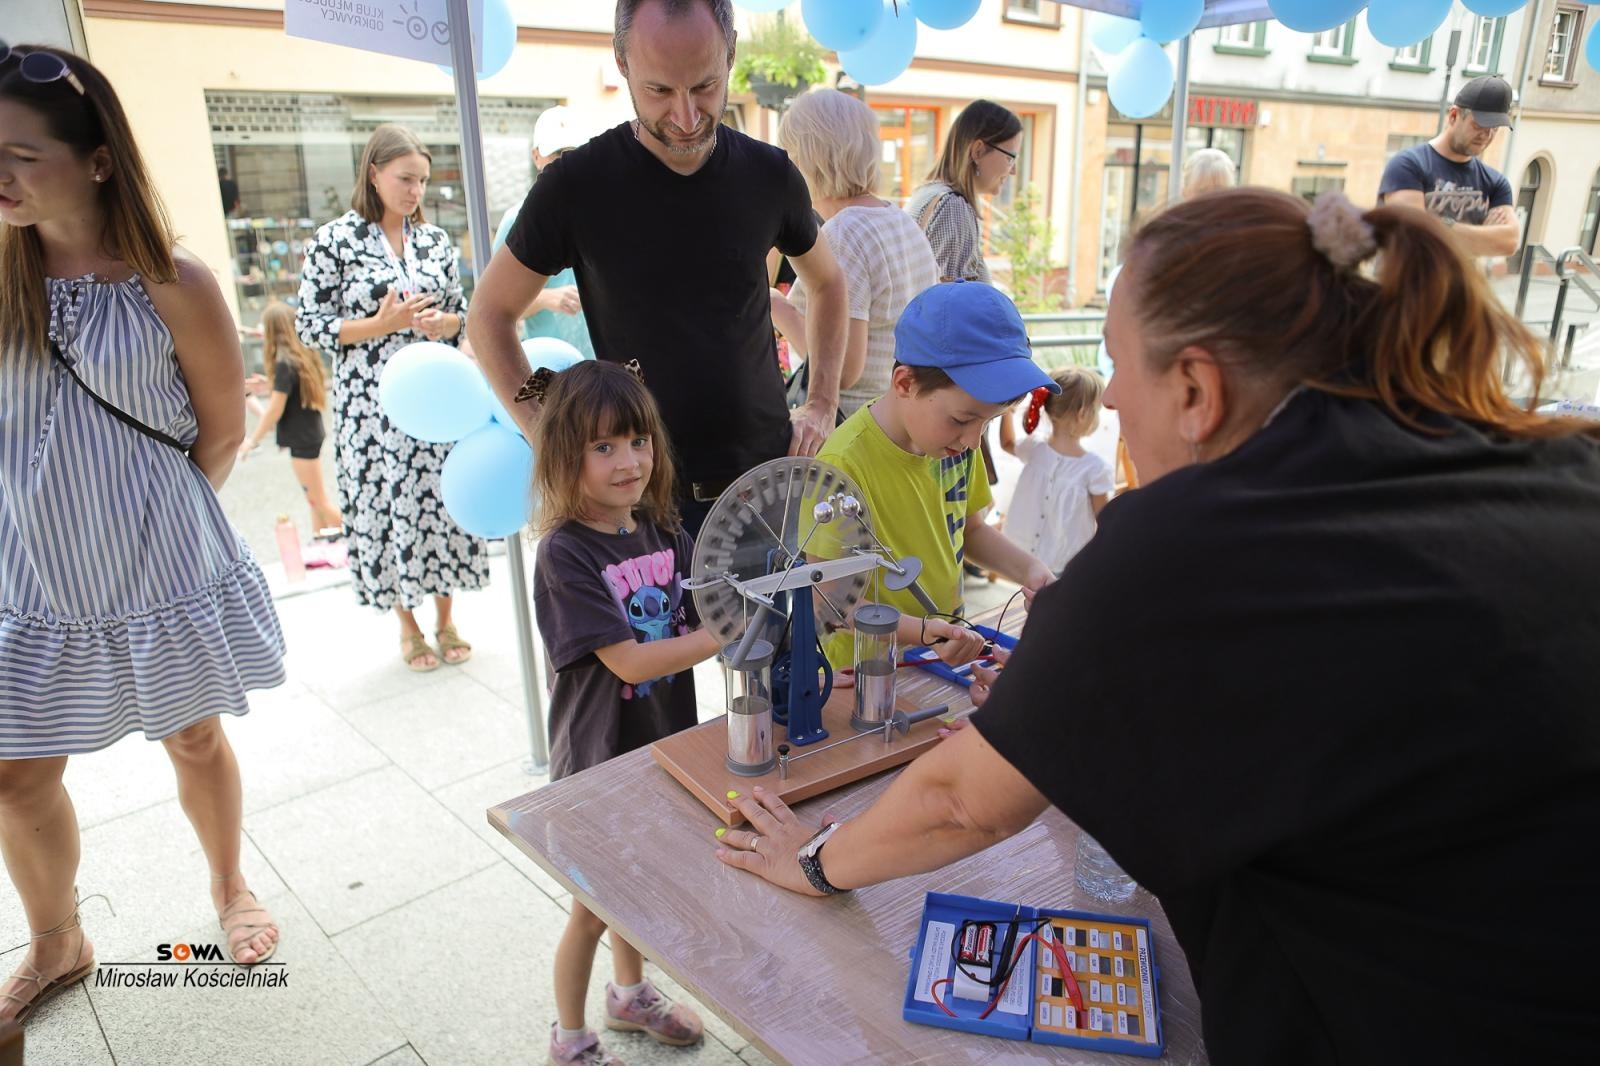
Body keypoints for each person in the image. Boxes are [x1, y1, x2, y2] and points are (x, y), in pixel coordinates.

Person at [709, 188, 1600, 1064]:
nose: (1114, 407)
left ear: (1198, 388)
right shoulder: (1557, 464)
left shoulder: (1183, 549)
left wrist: (815, 860)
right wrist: (1079, 704)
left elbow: (960, 803)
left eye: (1120, 366)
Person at [0, 44, 287, 1020]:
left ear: (96, 160)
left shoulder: (174, 281)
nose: (1, 176)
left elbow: (220, 434)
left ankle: (229, 887)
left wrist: (143, 521)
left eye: (20, 155)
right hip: (32, 573)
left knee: (195, 736)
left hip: (159, 561)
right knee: (14, 774)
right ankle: (58, 939)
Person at [469, 0, 850, 537]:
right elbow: (489, 315)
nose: (687, 116)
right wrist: (547, 435)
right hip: (642, 510)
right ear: (622, 63)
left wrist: (822, 401)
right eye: (660, 91)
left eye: (705, 86)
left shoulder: (769, 175)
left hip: (768, 491)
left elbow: (828, 282)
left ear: (731, 55)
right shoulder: (575, 187)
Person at [530, 360, 719, 1065]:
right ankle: (569, 1037)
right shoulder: (565, 553)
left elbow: (707, 608)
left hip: (660, 742)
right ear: (564, 456)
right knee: (592, 905)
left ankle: (630, 994)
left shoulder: (664, 531)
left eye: (638, 441)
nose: (628, 462)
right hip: (598, 758)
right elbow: (631, 662)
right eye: (603, 447)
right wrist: (725, 631)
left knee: (636, 881)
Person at [297, 123, 487, 672]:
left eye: (422, 180)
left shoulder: (435, 241)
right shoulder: (334, 241)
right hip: (372, 407)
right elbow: (310, 326)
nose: (415, 191)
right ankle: (409, 627)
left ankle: (446, 619)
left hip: (437, 396)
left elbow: (463, 313)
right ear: (374, 173)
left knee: (441, 502)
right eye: (405, 178)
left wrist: (444, 323)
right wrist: (379, 324)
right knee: (387, 502)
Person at [813, 281, 1055, 672]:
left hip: (941, 653)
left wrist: (1031, 571)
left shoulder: (956, 443)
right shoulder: (843, 464)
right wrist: (923, 632)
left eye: (988, 423)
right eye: (962, 419)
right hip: (865, 671)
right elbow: (831, 601)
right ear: (905, 383)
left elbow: (971, 530)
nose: (974, 440)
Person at [769, 89, 939, 419]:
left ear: (806, 159)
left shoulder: (844, 234)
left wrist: (776, 305)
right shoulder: (900, 221)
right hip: (895, 421)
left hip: (853, 427)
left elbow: (844, 371)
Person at [490, 105, 595, 357]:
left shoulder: (604, 215)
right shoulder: (517, 220)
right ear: (536, 156)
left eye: (573, 153)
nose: (565, 163)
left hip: (605, 364)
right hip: (548, 365)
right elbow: (495, 309)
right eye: (557, 154)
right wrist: (547, 298)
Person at [1378, 74, 1518, 258]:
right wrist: (1484, 237)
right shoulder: (1408, 165)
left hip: (1460, 278)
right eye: (1479, 125)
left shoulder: (1496, 182)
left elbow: (1509, 242)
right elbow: (1413, 237)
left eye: (1495, 128)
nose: (1487, 135)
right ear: (1453, 116)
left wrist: (1435, 226)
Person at [238, 301, 342, 535]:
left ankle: (357, 539)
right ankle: (320, 541)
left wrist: (252, 441)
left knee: (317, 500)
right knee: (314, 500)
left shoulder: (284, 363)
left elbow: (275, 409)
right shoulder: (300, 355)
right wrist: (269, 384)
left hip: (302, 437)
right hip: (309, 433)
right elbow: (291, 390)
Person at [997, 365, 1112, 575]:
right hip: (1064, 562)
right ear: (1082, 414)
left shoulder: (1035, 448)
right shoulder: (1094, 468)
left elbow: (1007, 443)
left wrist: (1007, 412)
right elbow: (1105, 522)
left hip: (1023, 557)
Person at [906, 99, 1022, 285]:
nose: (1014, 170)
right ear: (978, 151)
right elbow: (952, 300)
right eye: (1010, 158)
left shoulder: (927, 193)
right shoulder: (952, 208)